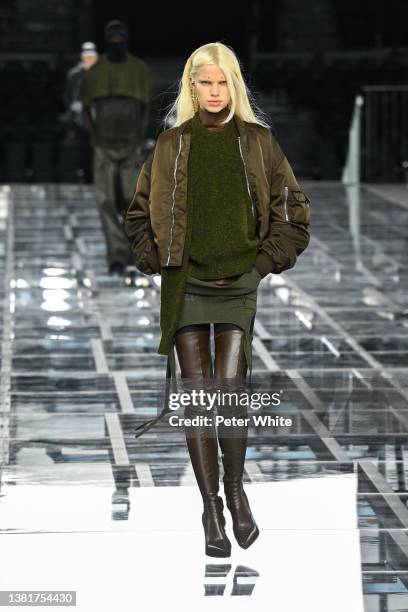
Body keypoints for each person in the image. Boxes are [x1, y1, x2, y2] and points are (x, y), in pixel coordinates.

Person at [124, 42, 311, 557]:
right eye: (204, 82)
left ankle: (235, 489)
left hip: (239, 282)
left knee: (228, 395)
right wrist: (156, 259)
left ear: (235, 86)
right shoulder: (170, 145)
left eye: (222, 82)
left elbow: (294, 209)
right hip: (186, 283)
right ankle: (211, 509)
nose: (214, 92)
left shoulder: (258, 143)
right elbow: (139, 213)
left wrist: (264, 263)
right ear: (191, 86)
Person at [79, 20, 151, 276]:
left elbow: (145, 109)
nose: (117, 41)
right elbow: (87, 108)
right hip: (104, 145)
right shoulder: (96, 72)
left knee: (134, 201)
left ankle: (135, 251)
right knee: (106, 201)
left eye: (121, 36)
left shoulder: (138, 69)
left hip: (131, 145)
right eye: (112, 37)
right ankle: (117, 256)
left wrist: (139, 141)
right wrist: (95, 139)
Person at [63, 42, 98, 139]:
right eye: (87, 56)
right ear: (82, 56)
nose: (89, 58)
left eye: (91, 56)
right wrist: (72, 106)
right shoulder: (74, 74)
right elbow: (67, 95)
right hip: (78, 114)